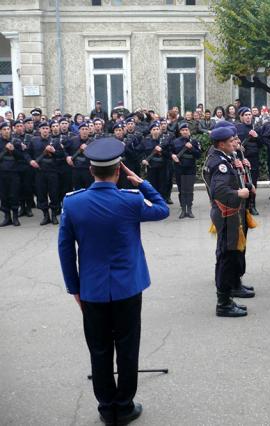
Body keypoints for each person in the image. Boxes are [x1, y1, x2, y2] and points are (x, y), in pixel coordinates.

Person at [58, 138, 169, 425]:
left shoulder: (73, 203)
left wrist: (75, 289)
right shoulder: (130, 201)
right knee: (128, 347)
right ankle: (125, 405)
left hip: (92, 290)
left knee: (99, 348)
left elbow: (66, 250)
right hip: (128, 288)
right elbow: (162, 209)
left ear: (91, 171)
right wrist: (141, 182)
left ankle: (107, 407)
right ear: (118, 171)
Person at [206, 126, 255, 317]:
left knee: (230, 255)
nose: (234, 142)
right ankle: (223, 303)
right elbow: (220, 190)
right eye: (230, 140)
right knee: (226, 258)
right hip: (226, 214)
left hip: (229, 213)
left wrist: (247, 186)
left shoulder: (223, 158)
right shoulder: (220, 163)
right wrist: (238, 193)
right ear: (221, 144)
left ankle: (228, 296)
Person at [171, 122, 201, 219]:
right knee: (181, 190)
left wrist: (192, 148)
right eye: (183, 130)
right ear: (180, 131)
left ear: (189, 131)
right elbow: (170, 152)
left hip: (190, 168)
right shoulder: (175, 142)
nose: (185, 132)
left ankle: (190, 209)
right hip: (179, 168)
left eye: (186, 130)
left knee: (189, 189)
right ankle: (183, 209)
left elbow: (198, 155)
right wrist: (173, 156)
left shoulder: (194, 142)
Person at [0, 121, 24, 226]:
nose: (6, 131)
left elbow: (21, 157)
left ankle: (15, 216)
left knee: (14, 194)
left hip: (14, 173)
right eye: (4, 129)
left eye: (8, 129)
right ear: (0, 131)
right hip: (2, 173)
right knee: (4, 195)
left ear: (11, 130)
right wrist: (5, 150)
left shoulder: (16, 141)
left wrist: (14, 150)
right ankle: (7, 217)